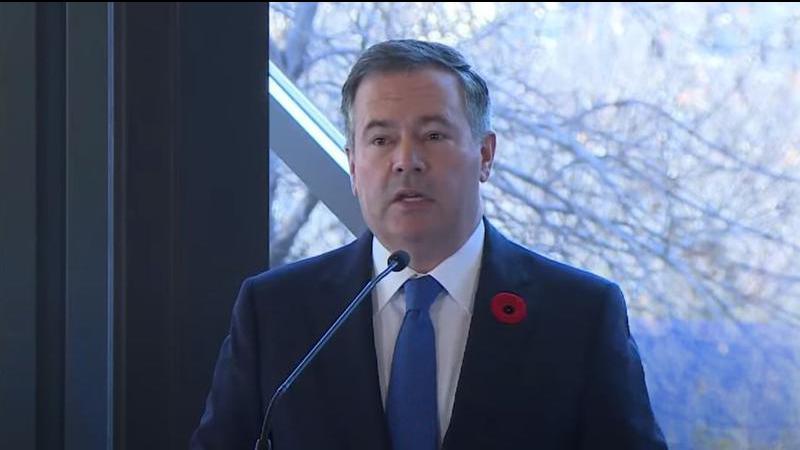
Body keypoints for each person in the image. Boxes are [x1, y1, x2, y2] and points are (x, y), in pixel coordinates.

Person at [191, 39, 667, 450]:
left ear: (485, 155)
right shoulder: (276, 313)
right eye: (381, 140)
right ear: (353, 165)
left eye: (433, 135)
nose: (406, 160)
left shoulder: (579, 316)